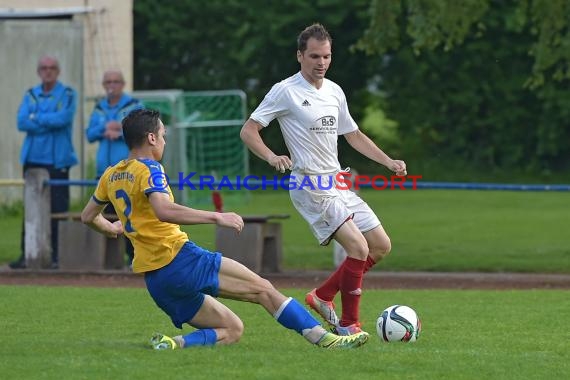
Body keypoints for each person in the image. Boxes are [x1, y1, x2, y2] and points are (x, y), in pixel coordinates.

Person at [80, 109, 368, 350]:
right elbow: (163, 210)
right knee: (264, 290)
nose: (165, 142)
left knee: (232, 328)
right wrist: (217, 217)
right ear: (151, 137)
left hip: (156, 281)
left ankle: (173, 343)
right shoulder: (151, 169)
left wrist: (114, 229)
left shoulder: (112, 174)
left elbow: (88, 216)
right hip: (180, 260)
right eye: (164, 135)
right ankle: (327, 340)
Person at [240, 23, 407, 336]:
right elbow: (248, 131)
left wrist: (388, 161)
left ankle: (322, 295)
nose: (321, 62)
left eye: (327, 56)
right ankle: (349, 326)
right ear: (300, 55)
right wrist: (272, 156)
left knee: (380, 246)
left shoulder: (334, 91)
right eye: (315, 56)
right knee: (357, 247)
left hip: (336, 182)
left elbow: (353, 134)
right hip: (310, 185)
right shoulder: (285, 91)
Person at [10, 55, 78, 269]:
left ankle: (56, 256)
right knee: (31, 210)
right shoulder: (31, 95)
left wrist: (35, 118)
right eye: (44, 68)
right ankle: (27, 254)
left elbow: (63, 119)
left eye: (52, 68)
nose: (48, 71)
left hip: (57, 161)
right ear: (39, 71)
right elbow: (21, 122)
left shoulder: (67, 94)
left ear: (58, 71)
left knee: (58, 209)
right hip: (32, 160)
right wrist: (45, 120)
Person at [86, 69, 143, 267]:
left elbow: (140, 132)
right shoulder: (99, 107)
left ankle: (135, 258)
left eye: (116, 81)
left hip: (128, 172)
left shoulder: (134, 105)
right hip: (105, 173)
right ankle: (111, 262)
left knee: (131, 216)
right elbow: (90, 134)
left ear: (123, 83)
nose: (112, 85)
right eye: (108, 81)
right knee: (105, 216)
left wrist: (118, 132)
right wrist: (105, 129)